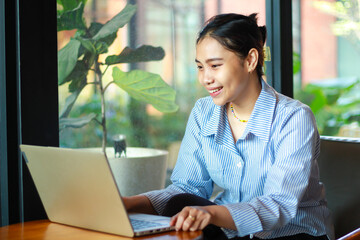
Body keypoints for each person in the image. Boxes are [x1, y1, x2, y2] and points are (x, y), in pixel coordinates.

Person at [123, 13, 334, 240]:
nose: (205, 78)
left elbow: (279, 206)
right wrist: (127, 203)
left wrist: (211, 212)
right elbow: (188, 188)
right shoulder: (204, 112)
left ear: (251, 60)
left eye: (215, 65)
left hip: (292, 232)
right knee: (179, 202)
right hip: (232, 232)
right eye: (200, 67)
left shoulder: (293, 117)